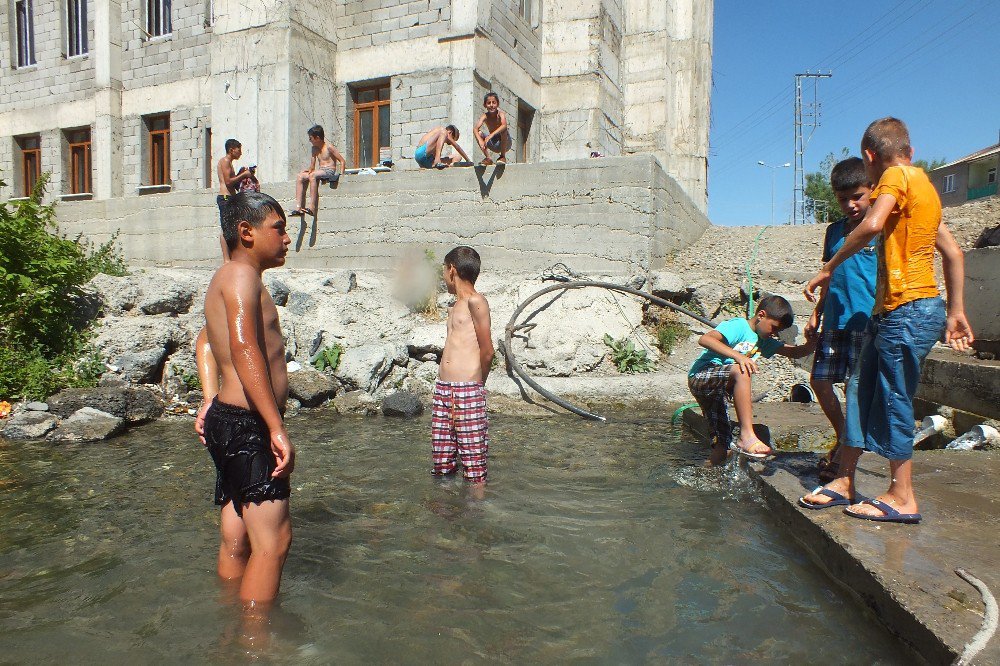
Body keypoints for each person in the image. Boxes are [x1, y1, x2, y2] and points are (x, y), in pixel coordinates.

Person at [801, 117, 974, 523]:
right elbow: (953, 252)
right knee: (860, 388)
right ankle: (845, 480)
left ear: (870, 158)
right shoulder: (924, 190)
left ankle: (902, 496)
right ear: (911, 150)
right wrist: (956, 310)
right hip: (895, 313)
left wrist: (830, 266)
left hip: (909, 311)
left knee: (894, 397)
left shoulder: (896, 177)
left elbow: (871, 224)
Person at [197, 191, 294, 604]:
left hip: (229, 417)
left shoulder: (230, 277)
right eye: (279, 228)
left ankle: (229, 626)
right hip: (247, 423)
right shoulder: (241, 276)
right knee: (273, 543)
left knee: (238, 539)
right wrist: (275, 426)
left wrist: (208, 398)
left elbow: (204, 342)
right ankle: (256, 645)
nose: (287, 238)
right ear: (246, 233)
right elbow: (244, 349)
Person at [804, 157, 878, 483]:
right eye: (841, 198)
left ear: (872, 191)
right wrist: (816, 311)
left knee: (854, 387)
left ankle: (844, 458)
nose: (850, 204)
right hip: (834, 320)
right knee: (819, 382)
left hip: (864, 321)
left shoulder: (878, 229)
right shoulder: (834, 232)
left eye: (857, 196)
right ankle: (842, 437)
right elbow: (828, 276)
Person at [688, 295, 815, 465]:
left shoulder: (763, 341)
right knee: (742, 371)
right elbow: (705, 339)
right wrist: (739, 357)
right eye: (774, 327)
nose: (774, 333)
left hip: (718, 393)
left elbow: (793, 352)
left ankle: (700, 476)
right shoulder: (739, 326)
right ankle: (746, 435)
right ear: (761, 315)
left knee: (723, 448)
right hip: (702, 376)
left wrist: (812, 344)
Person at [432, 246, 495, 485]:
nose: (443, 277)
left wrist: (477, 385)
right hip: (443, 390)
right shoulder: (455, 305)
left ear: (452, 270)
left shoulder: (475, 301)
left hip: (467, 389)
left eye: (443, 271)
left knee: (473, 462)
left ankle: (474, 513)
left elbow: (487, 350)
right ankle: (446, 510)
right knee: (441, 460)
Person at [291, 125, 346, 217]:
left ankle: (312, 207)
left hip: (329, 171)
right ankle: (298, 207)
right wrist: (308, 170)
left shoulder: (329, 147)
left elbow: (342, 161)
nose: (310, 140)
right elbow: (312, 166)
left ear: (317, 138)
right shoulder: (314, 149)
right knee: (300, 176)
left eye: (311, 138)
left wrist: (342, 174)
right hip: (320, 171)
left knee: (313, 176)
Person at [216, 139, 255, 261]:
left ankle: (231, 257)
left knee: (232, 227)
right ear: (232, 150)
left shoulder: (228, 162)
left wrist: (241, 173)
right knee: (226, 228)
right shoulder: (225, 161)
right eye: (239, 150)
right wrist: (244, 175)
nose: (241, 153)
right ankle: (226, 259)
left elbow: (233, 182)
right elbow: (228, 182)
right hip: (225, 197)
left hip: (230, 197)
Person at [474, 92, 512, 166]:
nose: (491, 105)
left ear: (497, 104)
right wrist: (480, 140)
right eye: (489, 103)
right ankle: (488, 158)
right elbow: (475, 128)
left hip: (505, 143)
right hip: (494, 144)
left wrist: (491, 135)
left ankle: (502, 156)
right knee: (478, 133)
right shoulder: (485, 116)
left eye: (493, 102)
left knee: (503, 130)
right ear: (485, 105)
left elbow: (504, 125)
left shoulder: (501, 114)